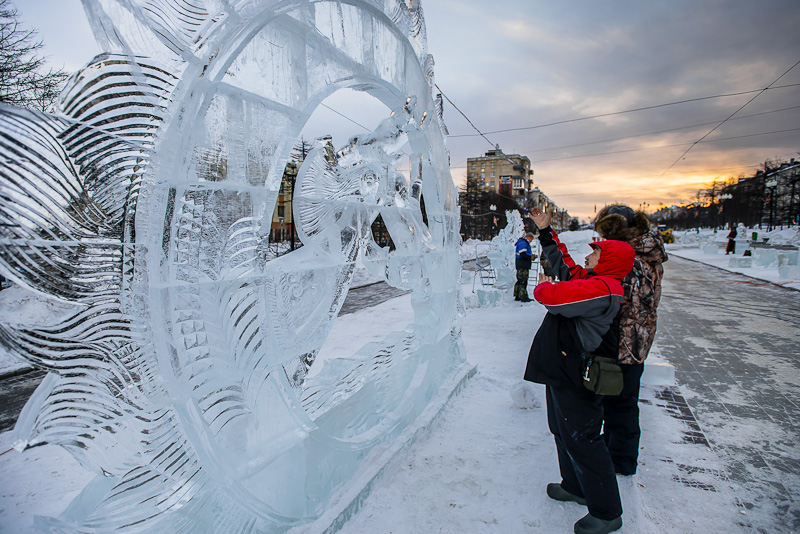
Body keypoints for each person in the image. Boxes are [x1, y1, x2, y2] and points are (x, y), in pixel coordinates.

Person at [524, 207, 634, 534]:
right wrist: (546, 232)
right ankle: (574, 485)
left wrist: (543, 288)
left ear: (610, 261)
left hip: (580, 376)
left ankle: (607, 511)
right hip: (563, 368)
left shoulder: (606, 288)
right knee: (562, 429)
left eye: (596, 253)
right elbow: (564, 265)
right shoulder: (592, 280)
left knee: (584, 438)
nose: (590, 256)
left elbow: (554, 297)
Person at [594, 204, 668, 476]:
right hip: (636, 336)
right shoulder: (647, 253)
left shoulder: (631, 260)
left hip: (624, 339)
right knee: (621, 398)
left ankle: (622, 460)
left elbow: (620, 301)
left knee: (620, 401)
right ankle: (616, 447)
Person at [514, 232, 535, 302]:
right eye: (531, 239)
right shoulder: (523, 243)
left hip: (521, 264)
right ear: (528, 238)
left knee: (520, 280)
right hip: (523, 265)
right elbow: (523, 254)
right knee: (523, 281)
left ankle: (517, 295)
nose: (531, 241)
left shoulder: (522, 242)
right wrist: (530, 257)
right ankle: (523, 297)